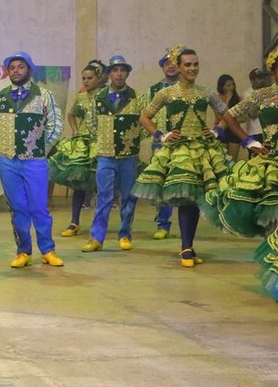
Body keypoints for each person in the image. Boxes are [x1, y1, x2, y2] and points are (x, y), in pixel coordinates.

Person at [132, 46, 242, 268]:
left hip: (203, 151)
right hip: (179, 152)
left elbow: (227, 114)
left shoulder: (206, 92)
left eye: (196, 64)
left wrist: (217, 131)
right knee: (186, 200)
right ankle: (186, 248)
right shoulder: (167, 93)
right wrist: (160, 135)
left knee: (195, 201)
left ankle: (188, 246)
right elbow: (144, 116)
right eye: (188, 65)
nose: (192, 68)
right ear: (179, 67)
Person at [0, 51, 65, 268]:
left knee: (39, 207)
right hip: (8, 161)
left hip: (35, 161)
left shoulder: (43, 96)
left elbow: (55, 124)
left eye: (21, 66)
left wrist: (40, 149)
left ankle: (47, 250)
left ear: (29, 69)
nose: (16, 71)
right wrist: (5, 145)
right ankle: (23, 251)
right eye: (12, 67)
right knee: (18, 207)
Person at [203, 49, 278, 237]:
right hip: (271, 164)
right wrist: (247, 140)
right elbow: (229, 115)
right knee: (275, 220)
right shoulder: (260, 96)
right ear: (273, 73)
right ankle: (277, 259)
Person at [81, 55, 149, 252]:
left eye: (123, 70)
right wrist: (104, 139)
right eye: (115, 70)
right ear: (109, 74)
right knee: (104, 196)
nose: (119, 74)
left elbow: (146, 122)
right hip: (105, 155)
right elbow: (92, 123)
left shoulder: (138, 98)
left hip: (129, 156)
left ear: (127, 73)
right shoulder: (98, 99)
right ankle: (97, 237)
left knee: (128, 196)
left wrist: (133, 138)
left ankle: (125, 234)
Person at [48, 60, 104, 237]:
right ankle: (74, 222)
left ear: (99, 78)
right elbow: (71, 114)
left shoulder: (105, 95)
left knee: (102, 186)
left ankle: (99, 224)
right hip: (82, 145)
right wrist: (75, 129)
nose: (86, 82)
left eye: (90, 78)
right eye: (84, 78)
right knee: (79, 185)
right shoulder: (80, 97)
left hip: (101, 144)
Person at [147, 50, 181, 239]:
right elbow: (146, 116)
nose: (170, 66)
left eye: (174, 62)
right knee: (162, 184)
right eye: (166, 63)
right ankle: (163, 223)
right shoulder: (154, 90)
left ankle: (187, 224)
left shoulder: (187, 88)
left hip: (184, 143)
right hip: (160, 143)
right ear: (162, 67)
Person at [216, 74, 243, 160]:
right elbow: (220, 117)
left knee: (232, 161)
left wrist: (231, 122)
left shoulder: (238, 98)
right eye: (228, 85)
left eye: (233, 85)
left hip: (234, 131)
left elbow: (244, 117)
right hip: (221, 131)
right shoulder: (217, 99)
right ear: (222, 87)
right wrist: (227, 100)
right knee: (222, 161)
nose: (231, 87)